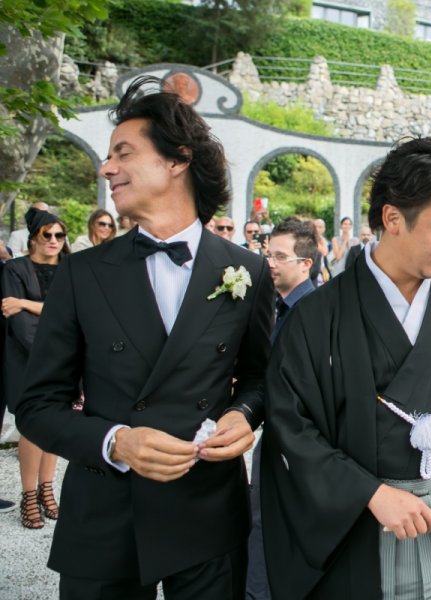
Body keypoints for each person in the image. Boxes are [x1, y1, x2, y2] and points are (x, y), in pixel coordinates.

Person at [11, 76, 273, 598]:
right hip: (105, 514)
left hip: (207, 515)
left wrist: (242, 416)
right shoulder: (82, 273)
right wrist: (115, 442)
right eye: (109, 156)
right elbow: (37, 405)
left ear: (177, 160)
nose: (106, 167)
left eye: (123, 153)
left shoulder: (248, 270)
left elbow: (263, 378)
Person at [260, 137, 431, 599]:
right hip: (362, 525)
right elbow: (289, 426)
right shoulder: (317, 318)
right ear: (393, 218)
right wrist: (369, 494)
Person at [246, 219, 318, 600]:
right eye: (267, 254)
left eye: (279, 256)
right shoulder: (272, 303)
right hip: (272, 434)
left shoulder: (314, 312)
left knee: (269, 521)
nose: (269, 262)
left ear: (305, 264)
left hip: (295, 440)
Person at [2, 208, 70, 529]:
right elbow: (15, 319)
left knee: (55, 423)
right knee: (31, 424)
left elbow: (75, 312)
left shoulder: (71, 268)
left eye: (60, 235)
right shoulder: (15, 269)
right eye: (48, 235)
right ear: (33, 238)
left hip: (68, 357)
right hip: (26, 358)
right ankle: (29, 495)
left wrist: (30, 304)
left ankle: (47, 490)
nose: (55, 240)